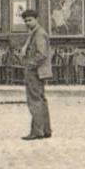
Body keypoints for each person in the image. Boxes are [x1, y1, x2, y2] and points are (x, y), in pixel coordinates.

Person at [19, 8, 53, 140]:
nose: (28, 22)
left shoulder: (38, 33)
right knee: (40, 100)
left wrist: (29, 65)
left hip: (35, 72)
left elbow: (41, 54)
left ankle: (37, 131)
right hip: (38, 72)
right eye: (26, 20)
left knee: (35, 101)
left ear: (36, 19)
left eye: (30, 20)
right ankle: (45, 129)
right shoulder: (35, 32)